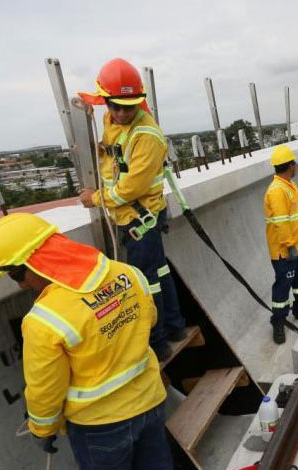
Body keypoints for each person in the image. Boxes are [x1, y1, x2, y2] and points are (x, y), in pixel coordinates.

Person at [0, 213, 172, 470]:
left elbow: (46, 390)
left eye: (17, 275)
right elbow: (149, 320)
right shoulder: (128, 272)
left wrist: (42, 430)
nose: (21, 285)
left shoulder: (44, 320)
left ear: (38, 263)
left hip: (101, 428)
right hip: (151, 403)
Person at [77, 57, 185, 361]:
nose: (122, 112)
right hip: (137, 216)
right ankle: (175, 326)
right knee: (158, 270)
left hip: (140, 216)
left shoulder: (146, 135)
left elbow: (130, 188)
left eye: (129, 106)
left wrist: (95, 198)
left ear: (140, 103)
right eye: (115, 106)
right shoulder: (113, 120)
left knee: (146, 280)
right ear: (106, 103)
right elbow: (114, 153)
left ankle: (158, 341)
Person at [264, 145, 298, 344]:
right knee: (283, 287)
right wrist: (290, 245)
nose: (296, 166)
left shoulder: (289, 185)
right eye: (295, 163)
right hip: (285, 251)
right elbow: (281, 223)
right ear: (290, 165)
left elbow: (296, 217)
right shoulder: (277, 191)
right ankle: (278, 321)